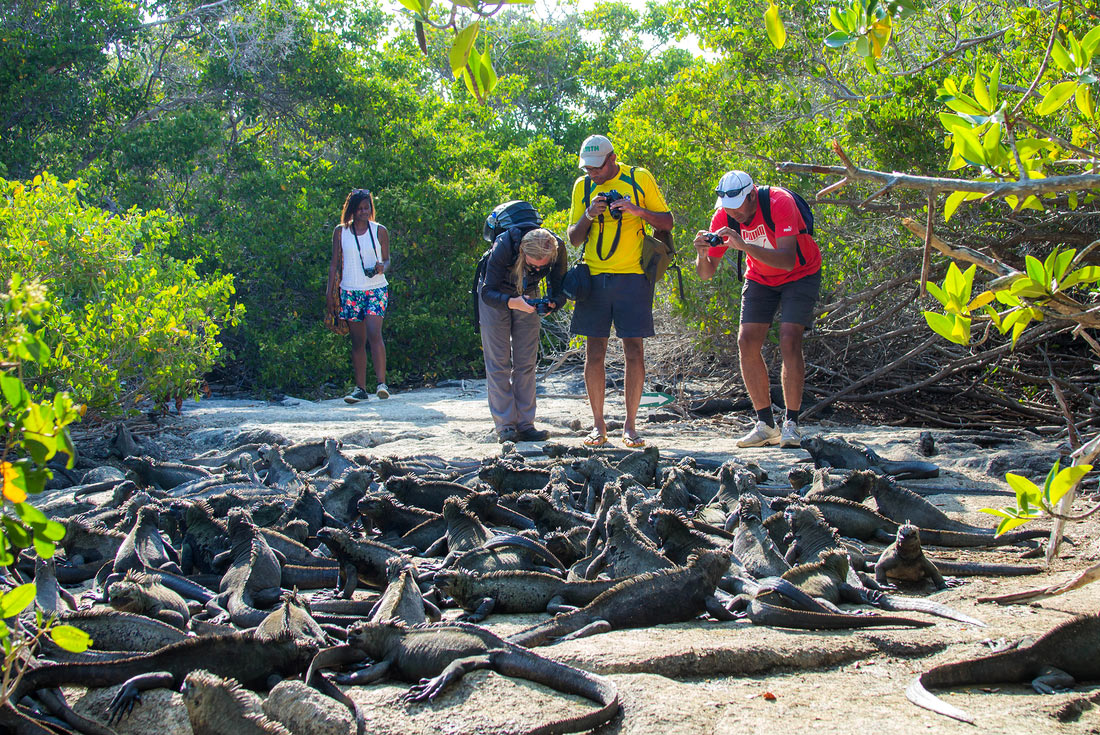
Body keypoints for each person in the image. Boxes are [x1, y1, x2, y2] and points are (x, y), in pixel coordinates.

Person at [693, 170, 822, 448]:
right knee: (746, 341)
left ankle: (792, 424)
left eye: (737, 206)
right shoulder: (725, 216)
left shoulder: (779, 202)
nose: (733, 214)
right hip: (760, 278)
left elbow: (788, 260)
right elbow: (705, 274)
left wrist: (743, 245)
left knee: (789, 339)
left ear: (752, 195)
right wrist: (702, 253)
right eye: (727, 208)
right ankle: (765, 424)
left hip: (800, 273)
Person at [567, 135, 673, 448]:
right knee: (594, 353)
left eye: (597, 168)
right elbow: (573, 238)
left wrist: (637, 211)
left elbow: (667, 222)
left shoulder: (638, 178)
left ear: (613, 158)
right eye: (587, 169)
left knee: (634, 351)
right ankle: (598, 426)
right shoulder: (582, 186)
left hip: (634, 277)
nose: (593, 174)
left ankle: (630, 425)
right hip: (594, 279)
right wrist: (589, 214)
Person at [479, 226, 567, 443]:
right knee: (498, 361)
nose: (537, 269)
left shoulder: (558, 248)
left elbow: (560, 289)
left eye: (542, 266)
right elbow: (487, 292)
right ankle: (505, 426)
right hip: (496, 295)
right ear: (522, 252)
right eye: (532, 264)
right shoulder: (505, 246)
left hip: (528, 292)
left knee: (526, 362)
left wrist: (553, 304)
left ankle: (525, 424)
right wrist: (511, 302)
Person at [327, 188, 391, 403]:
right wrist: (330, 293)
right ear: (352, 210)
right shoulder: (341, 231)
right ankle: (360, 389)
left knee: (374, 333)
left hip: (376, 289)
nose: (364, 211)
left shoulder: (379, 230)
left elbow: (387, 259)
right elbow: (334, 263)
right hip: (350, 290)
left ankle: (381, 384)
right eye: (360, 208)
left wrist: (383, 267)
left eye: (367, 208)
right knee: (357, 340)